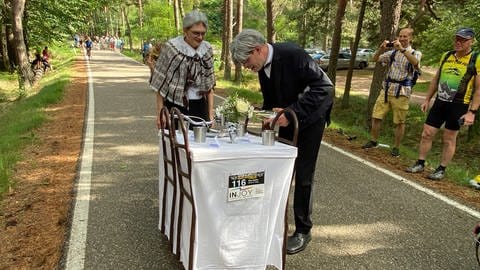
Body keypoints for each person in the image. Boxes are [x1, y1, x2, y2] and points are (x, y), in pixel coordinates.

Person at [230, 29, 334, 254]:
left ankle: (303, 231)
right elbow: (272, 97)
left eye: (246, 61)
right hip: (287, 120)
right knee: (278, 167)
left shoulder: (293, 54)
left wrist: (292, 112)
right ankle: (272, 221)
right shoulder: (261, 65)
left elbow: (324, 88)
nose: (247, 67)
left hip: (310, 119)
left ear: (257, 49)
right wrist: (267, 116)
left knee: (304, 175)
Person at [406, 27, 480, 180]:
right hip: (440, 102)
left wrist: (472, 112)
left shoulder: (476, 59)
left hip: (459, 104)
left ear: (471, 41)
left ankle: (441, 169)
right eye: (457, 39)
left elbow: (479, 89)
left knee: (449, 138)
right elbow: (435, 79)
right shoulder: (446, 55)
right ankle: (420, 163)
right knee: (427, 133)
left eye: (463, 40)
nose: (458, 42)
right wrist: (427, 99)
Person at [362, 27, 422, 157]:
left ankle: (396, 147)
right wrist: (381, 48)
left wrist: (401, 49)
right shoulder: (393, 53)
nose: (401, 38)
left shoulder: (415, 53)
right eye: (400, 36)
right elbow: (375, 59)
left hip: (402, 91)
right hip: (387, 88)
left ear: (411, 38)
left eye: (405, 36)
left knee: (399, 121)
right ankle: (373, 140)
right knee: (376, 116)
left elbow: (415, 63)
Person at [150, 10, 215, 129]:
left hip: (200, 106)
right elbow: (160, 83)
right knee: (175, 144)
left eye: (203, 33)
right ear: (185, 31)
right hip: (174, 105)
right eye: (196, 33)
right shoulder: (172, 48)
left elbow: (209, 85)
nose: (200, 37)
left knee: (200, 144)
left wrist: (210, 113)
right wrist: (160, 113)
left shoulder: (207, 50)